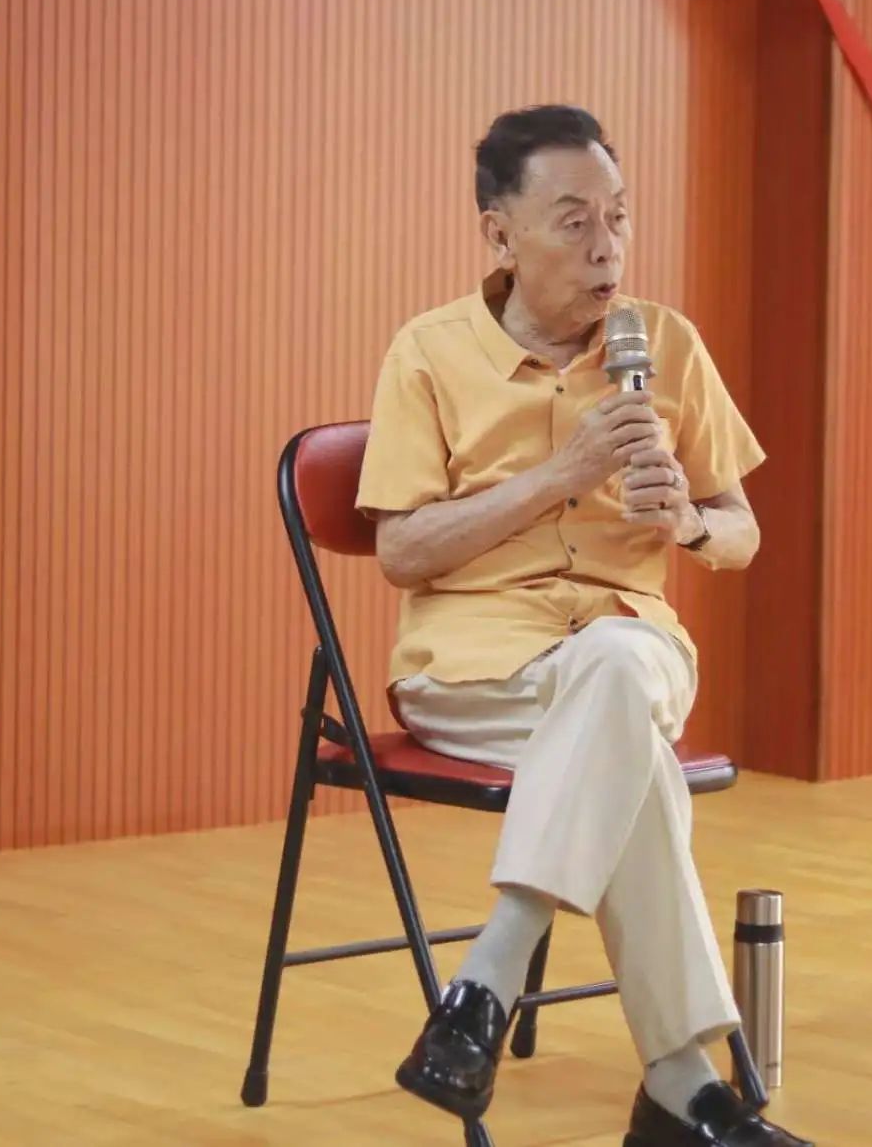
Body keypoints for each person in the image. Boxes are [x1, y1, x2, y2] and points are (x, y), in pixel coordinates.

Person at [356, 106, 810, 1147]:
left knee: (612, 663)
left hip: (632, 646)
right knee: (629, 752)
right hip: (477, 674)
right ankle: (683, 1091)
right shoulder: (428, 352)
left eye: (619, 217)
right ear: (500, 234)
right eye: (573, 222)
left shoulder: (667, 344)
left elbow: (741, 532)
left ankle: (485, 981)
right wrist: (563, 475)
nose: (607, 247)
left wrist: (688, 521)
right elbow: (403, 552)